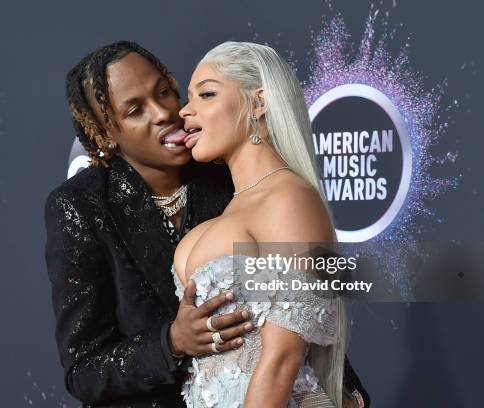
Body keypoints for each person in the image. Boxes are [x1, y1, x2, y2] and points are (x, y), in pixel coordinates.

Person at [44, 41, 369, 408]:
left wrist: (339, 395)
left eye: (165, 92)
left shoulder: (229, 167)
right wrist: (171, 343)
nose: (167, 112)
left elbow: (292, 321)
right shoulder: (83, 205)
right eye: (135, 110)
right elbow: (85, 370)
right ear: (106, 136)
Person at [174, 41, 351, 408]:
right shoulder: (235, 207)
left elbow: (282, 358)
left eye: (206, 94)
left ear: (258, 102)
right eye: (188, 97)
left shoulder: (288, 200)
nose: (185, 111)